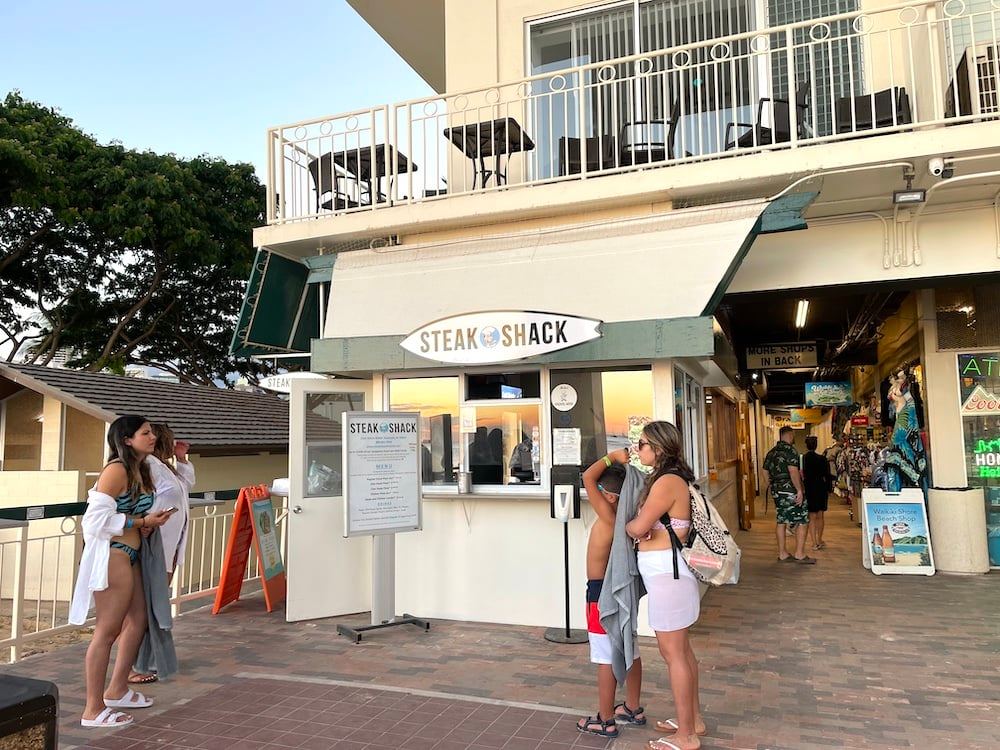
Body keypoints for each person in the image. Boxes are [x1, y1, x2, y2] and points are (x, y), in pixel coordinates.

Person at [69, 415, 173, 728]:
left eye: (151, 432)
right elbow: (93, 521)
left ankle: (116, 689)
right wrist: (141, 523)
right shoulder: (116, 470)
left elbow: (128, 512)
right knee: (107, 631)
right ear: (127, 439)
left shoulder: (141, 470)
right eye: (145, 433)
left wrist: (146, 524)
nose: (152, 437)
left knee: (138, 621)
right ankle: (92, 708)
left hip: (132, 554)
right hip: (115, 556)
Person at [624, 421, 704, 750]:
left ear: (658, 448)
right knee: (682, 653)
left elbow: (637, 527)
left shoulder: (665, 482)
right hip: (671, 574)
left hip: (667, 575)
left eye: (642, 444)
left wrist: (633, 526)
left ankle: (686, 736)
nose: (638, 449)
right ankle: (692, 720)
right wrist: (646, 531)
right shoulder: (674, 479)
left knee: (674, 655)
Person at [576, 456, 644, 738]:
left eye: (602, 492)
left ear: (611, 497)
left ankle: (605, 719)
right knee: (630, 646)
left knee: (605, 655)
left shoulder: (609, 516)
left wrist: (610, 458)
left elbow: (587, 477)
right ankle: (632, 707)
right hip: (621, 589)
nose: (596, 495)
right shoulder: (630, 518)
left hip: (600, 593)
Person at [127, 423, 195, 685]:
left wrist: (181, 459)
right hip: (156, 541)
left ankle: (148, 658)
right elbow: (139, 496)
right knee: (146, 604)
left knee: (155, 603)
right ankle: (135, 662)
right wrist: (144, 521)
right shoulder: (148, 466)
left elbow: (186, 484)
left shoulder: (164, 467)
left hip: (170, 544)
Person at [762, 426, 815, 564]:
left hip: (777, 491)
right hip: (790, 490)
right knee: (802, 519)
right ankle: (799, 554)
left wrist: (771, 484)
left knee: (781, 520)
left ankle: (782, 554)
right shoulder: (790, 450)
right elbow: (793, 471)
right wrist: (799, 490)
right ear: (790, 435)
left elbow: (764, 471)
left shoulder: (771, 452)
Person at [802, 435, 832, 550]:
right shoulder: (822, 459)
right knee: (820, 515)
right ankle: (819, 539)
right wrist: (829, 489)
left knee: (811, 516)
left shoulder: (803, 459)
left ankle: (814, 542)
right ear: (816, 445)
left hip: (809, 488)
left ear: (806, 445)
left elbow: (801, 474)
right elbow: (827, 476)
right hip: (820, 487)